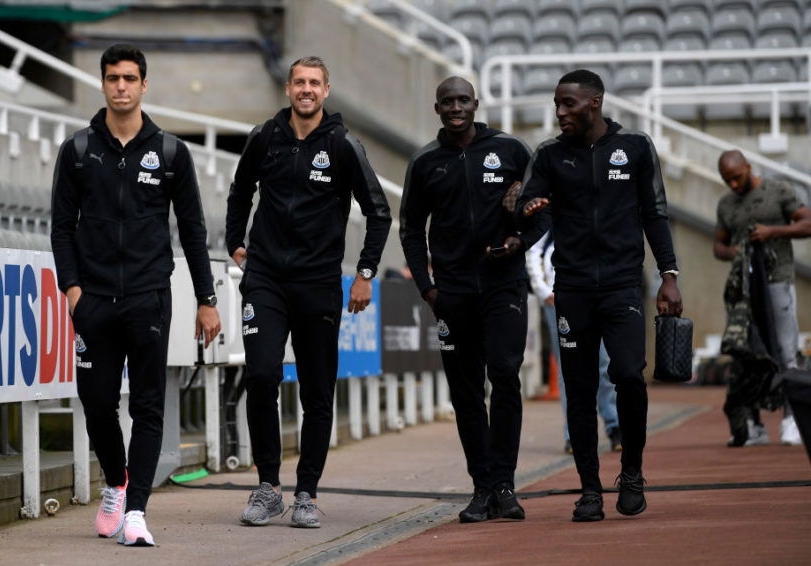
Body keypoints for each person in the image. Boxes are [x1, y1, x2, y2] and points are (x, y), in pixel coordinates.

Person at [51, 44, 221, 547]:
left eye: (129, 78)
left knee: (149, 406)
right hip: (94, 300)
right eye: (112, 78)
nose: (120, 86)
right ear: (102, 84)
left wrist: (207, 299)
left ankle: (137, 513)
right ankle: (117, 484)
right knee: (98, 402)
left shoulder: (170, 152)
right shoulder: (79, 150)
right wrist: (72, 288)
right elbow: (62, 227)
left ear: (144, 85)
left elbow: (192, 229)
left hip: (149, 294)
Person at [226, 56, 391, 528]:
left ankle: (307, 494)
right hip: (266, 280)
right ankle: (267, 488)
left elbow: (378, 213)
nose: (306, 89)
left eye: (314, 83)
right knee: (261, 376)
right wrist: (237, 244)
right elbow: (240, 192)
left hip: (319, 284)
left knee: (317, 392)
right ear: (287, 89)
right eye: (299, 82)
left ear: (326, 90)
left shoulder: (342, 144)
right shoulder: (265, 137)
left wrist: (364, 272)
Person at [517, 69, 683, 522]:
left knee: (629, 374)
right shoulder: (550, 155)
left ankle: (631, 472)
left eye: (568, 104)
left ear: (594, 103)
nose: (560, 112)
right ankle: (589, 489)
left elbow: (655, 212)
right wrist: (524, 205)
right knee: (581, 388)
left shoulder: (634, 147)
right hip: (570, 288)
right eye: (557, 104)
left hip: (623, 285)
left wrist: (669, 274)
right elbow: (525, 205)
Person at [401, 76, 542, 523]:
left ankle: (505, 484)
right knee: (465, 393)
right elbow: (409, 230)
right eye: (448, 102)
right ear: (437, 108)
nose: (456, 107)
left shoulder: (511, 150)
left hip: (504, 287)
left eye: (463, 100)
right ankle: (482, 488)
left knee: (505, 376)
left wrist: (519, 241)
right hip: (453, 294)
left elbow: (543, 209)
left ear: (476, 104)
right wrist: (427, 288)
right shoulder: (425, 162)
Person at [714, 149, 811, 446]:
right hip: (743, 291)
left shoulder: (778, 191)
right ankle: (753, 426)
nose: (733, 184)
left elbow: (808, 223)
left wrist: (773, 232)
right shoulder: (727, 204)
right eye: (727, 180)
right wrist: (737, 251)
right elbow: (718, 246)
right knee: (747, 354)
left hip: (777, 281)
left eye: (737, 177)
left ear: (748, 167)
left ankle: (792, 420)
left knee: (785, 349)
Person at [526, 232, 622, 454]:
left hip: (595, 294)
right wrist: (542, 290)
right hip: (557, 298)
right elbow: (533, 248)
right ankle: (574, 434)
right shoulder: (551, 206)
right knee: (568, 368)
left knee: (605, 361)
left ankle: (614, 425)